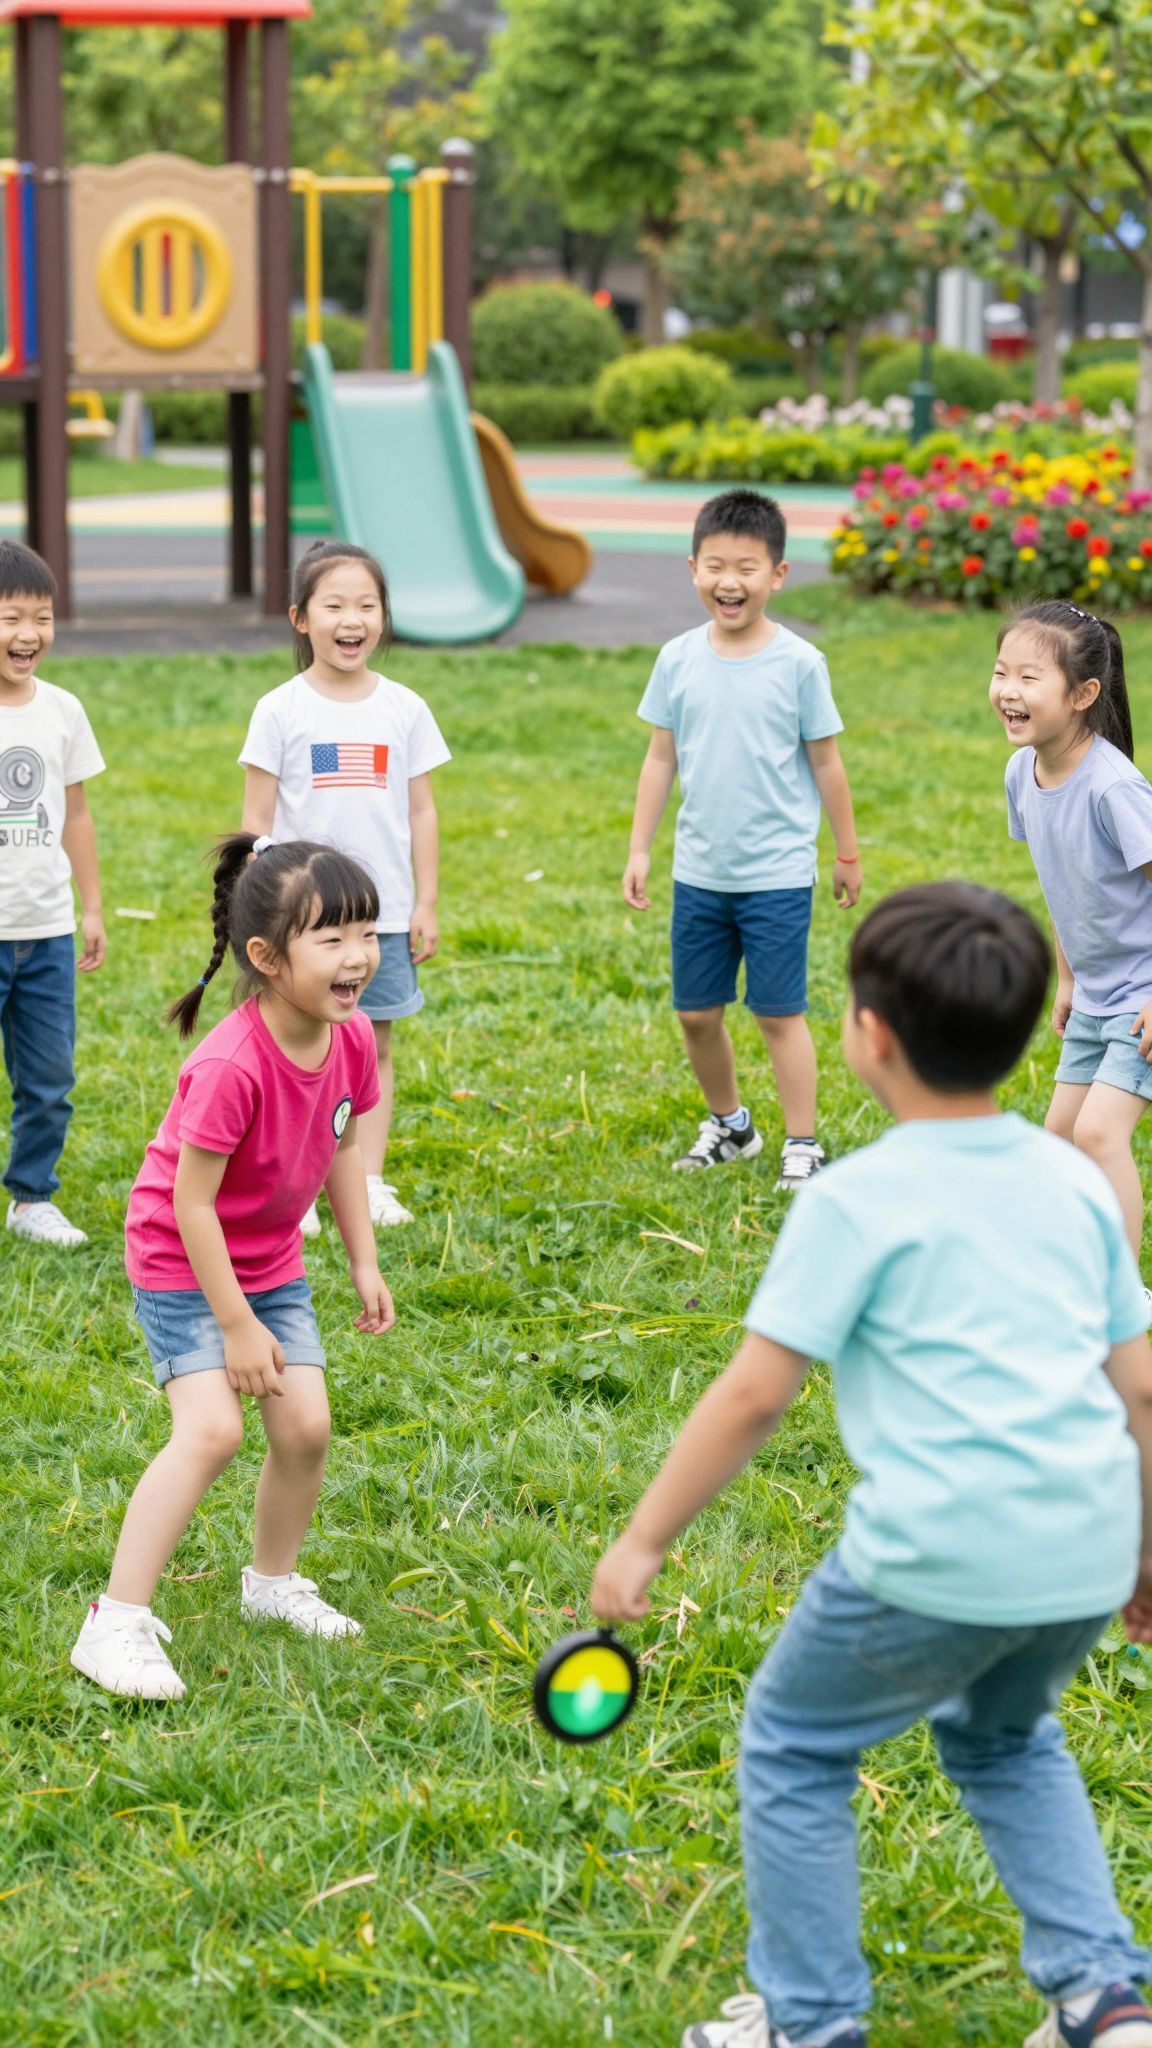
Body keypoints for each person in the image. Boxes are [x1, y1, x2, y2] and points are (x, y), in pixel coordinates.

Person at [590, 882, 1152, 2048]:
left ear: (870, 1033)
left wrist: (643, 1539)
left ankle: (810, 2019)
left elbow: (753, 1393)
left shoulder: (856, 1199)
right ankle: (1103, 1992)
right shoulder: (1078, 1182)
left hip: (934, 1553)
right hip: (1085, 1545)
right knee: (1005, 1737)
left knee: (795, 1745)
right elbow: (1141, 1385)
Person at [70, 835, 395, 1702]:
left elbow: (342, 1144)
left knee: (305, 1428)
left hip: (272, 1261)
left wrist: (361, 1257)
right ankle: (116, 1621)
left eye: (365, 930)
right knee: (212, 1430)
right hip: (182, 1259)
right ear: (265, 956)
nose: (357, 954)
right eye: (330, 937)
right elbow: (190, 1204)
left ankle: (272, 1583)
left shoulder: (350, 1036)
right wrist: (239, 1324)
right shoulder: (230, 1064)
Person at [623, 488, 862, 1190]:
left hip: (778, 874)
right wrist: (641, 848)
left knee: (778, 1012)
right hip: (701, 871)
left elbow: (829, 764)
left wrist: (846, 854)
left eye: (748, 567)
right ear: (692, 568)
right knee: (696, 1013)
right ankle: (732, 1125)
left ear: (778, 575)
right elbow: (659, 758)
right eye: (716, 566)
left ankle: (803, 1142)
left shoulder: (799, 664)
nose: (730, 581)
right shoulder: (676, 658)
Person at [240, 540, 450, 1234]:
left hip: (379, 916)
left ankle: (368, 1179)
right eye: (335, 605)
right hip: (302, 921)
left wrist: (423, 901)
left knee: (372, 1046)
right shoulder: (279, 709)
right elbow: (256, 822)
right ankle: (292, 1185)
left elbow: (421, 809)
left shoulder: (405, 708)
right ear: (301, 618)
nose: (351, 619)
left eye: (367, 605)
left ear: (383, 617)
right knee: (293, 1046)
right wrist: (259, 909)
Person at [993, 600, 1152, 1316]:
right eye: (1001, 672)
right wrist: (1067, 978)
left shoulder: (1115, 787)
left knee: (1098, 1132)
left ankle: (1124, 1294)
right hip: (1096, 993)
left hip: (1143, 995)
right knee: (1059, 1142)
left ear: (1084, 695)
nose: (1009, 690)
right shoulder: (1022, 775)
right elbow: (1065, 886)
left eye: (1030, 676)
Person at [0, 538, 105, 1246]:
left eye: (42, 617)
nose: (29, 634)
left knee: (49, 1078)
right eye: (10, 617)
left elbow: (79, 812)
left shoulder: (63, 710)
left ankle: (32, 1196)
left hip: (46, 931)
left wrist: (92, 905)